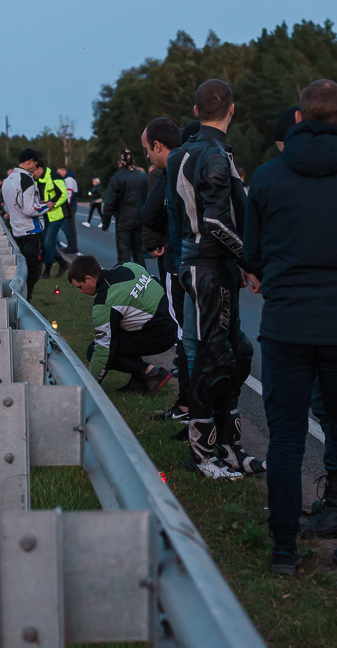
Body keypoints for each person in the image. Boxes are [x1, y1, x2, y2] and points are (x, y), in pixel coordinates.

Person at [245, 79, 337, 575]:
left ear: (300, 120)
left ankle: (285, 548)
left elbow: (253, 254)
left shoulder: (266, 178)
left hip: (287, 322)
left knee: (285, 437)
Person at [166, 79, 262, 481]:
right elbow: (215, 223)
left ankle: (228, 443)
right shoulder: (213, 155)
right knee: (214, 356)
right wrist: (252, 260)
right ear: (232, 110)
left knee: (234, 351)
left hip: (205, 265)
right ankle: (203, 454)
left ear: (194, 111)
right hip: (207, 267)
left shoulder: (183, 155)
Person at [139, 117, 190, 424]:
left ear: (158, 145)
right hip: (209, 266)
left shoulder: (171, 170)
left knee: (184, 333)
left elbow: (149, 215)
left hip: (178, 262)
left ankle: (186, 406)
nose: (147, 156)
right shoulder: (209, 161)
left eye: (148, 149)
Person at [68, 255, 175, 394]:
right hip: (173, 321)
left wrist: (89, 388)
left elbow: (103, 349)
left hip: (161, 335)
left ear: (89, 279)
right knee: (117, 331)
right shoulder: (126, 266)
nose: (81, 291)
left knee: (94, 350)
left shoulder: (105, 301)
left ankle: (153, 373)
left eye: (80, 287)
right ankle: (137, 380)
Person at [2, 149, 49, 301]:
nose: (36, 167)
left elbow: (8, 208)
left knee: (23, 269)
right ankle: (26, 300)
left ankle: (23, 299)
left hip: (18, 231)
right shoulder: (26, 179)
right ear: (29, 161)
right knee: (33, 270)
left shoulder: (8, 180)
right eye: (35, 164)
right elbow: (30, 209)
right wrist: (47, 206)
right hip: (31, 231)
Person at [101, 150, 148, 266]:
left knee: (124, 253)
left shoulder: (117, 178)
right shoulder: (142, 177)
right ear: (133, 160)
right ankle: (143, 279)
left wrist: (105, 223)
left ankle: (127, 279)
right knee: (139, 252)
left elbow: (109, 203)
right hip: (140, 218)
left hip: (124, 219)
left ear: (119, 162)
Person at [35, 161, 69, 279]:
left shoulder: (54, 176)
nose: (33, 174)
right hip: (44, 215)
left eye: (34, 171)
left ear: (39, 168)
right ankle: (63, 263)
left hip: (56, 215)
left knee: (48, 242)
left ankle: (47, 272)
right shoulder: (37, 179)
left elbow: (63, 195)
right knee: (45, 243)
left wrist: (51, 204)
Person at [57, 166, 79, 254]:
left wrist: (67, 207)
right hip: (71, 206)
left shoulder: (68, 180)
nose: (58, 174)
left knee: (71, 227)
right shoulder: (70, 179)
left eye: (59, 172)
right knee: (69, 227)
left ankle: (73, 247)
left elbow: (69, 193)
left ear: (63, 170)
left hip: (70, 206)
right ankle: (71, 246)